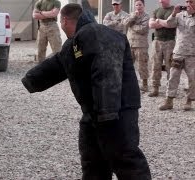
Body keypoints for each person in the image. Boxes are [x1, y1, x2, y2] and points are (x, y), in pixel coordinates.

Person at [22, 3, 151, 179]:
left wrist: (107, 113)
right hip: (95, 112)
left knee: (126, 160)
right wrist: (31, 81)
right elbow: (60, 62)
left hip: (116, 111)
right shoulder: (75, 42)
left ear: (65, 20)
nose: (61, 26)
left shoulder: (99, 34)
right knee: (93, 162)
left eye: (60, 22)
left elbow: (107, 69)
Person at [157, 0, 195, 111]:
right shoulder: (179, 15)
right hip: (178, 53)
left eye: (191, 1)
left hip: (192, 54)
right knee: (173, 77)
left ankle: (189, 101)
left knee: (193, 79)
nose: (188, 4)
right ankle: (169, 101)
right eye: (187, 1)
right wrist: (173, 13)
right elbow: (169, 24)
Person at [148, 0, 176, 97]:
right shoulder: (156, 10)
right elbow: (150, 25)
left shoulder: (174, 10)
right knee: (155, 66)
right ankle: (155, 88)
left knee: (170, 66)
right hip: (157, 41)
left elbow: (171, 24)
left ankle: (170, 90)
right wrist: (164, 23)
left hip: (170, 42)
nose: (160, 1)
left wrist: (158, 21)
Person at [123, 0, 150, 91]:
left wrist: (132, 26)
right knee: (127, 65)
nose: (138, 6)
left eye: (140, 5)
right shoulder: (132, 15)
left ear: (144, 6)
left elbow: (143, 29)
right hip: (130, 44)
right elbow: (125, 23)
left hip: (141, 45)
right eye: (137, 5)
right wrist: (133, 17)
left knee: (142, 65)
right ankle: (127, 82)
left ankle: (145, 84)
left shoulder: (146, 16)